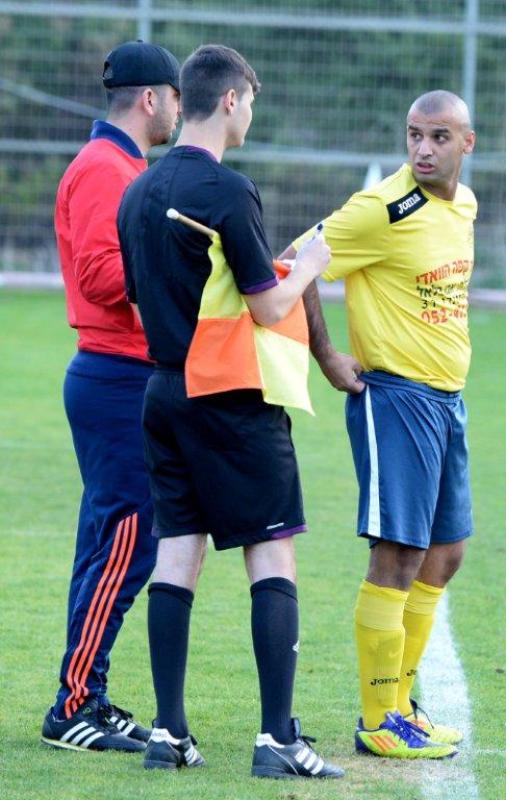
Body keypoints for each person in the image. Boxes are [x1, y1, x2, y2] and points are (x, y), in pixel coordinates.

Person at [117, 44, 344, 779]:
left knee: (176, 551)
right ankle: (277, 739)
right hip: (231, 398)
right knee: (271, 552)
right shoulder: (226, 189)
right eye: (250, 102)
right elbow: (268, 304)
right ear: (230, 100)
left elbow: (140, 298)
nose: (251, 114)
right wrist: (310, 265)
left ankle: (168, 733)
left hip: (162, 393)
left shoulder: (136, 192)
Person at [283, 90, 477, 759]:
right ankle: (379, 719)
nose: (424, 149)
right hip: (395, 399)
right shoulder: (383, 208)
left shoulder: (465, 204)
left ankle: (402, 705)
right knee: (396, 554)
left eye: (439, 137)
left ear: (467, 143)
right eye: (414, 135)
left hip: (449, 401)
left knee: (445, 554)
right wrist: (326, 354)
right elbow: (297, 256)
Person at [41, 40, 181, 753]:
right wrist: (178, 273)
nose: (179, 111)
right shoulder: (106, 168)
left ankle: (85, 694)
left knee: (110, 543)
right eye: (176, 98)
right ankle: (73, 706)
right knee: (128, 542)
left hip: (120, 375)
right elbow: (100, 276)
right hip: (116, 377)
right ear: (151, 98)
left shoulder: (122, 165)